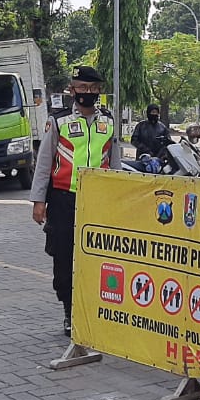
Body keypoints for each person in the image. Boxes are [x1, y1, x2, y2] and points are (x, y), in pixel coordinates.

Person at [30, 65, 117, 335]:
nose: (87, 92)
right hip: (64, 200)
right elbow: (44, 162)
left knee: (97, 257)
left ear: (99, 91)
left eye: (93, 88)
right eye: (82, 87)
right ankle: (70, 312)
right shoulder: (59, 121)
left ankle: (95, 309)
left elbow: (114, 164)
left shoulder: (108, 122)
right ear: (72, 90)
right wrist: (39, 200)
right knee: (65, 257)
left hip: (98, 202)